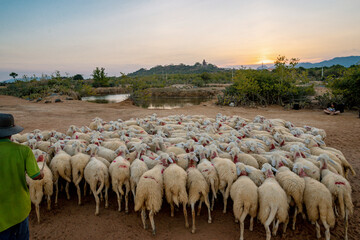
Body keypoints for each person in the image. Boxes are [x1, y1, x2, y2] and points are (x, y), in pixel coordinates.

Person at [0, 113, 43, 240]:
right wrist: (42, 172)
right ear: (11, 132)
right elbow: (35, 176)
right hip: (18, 207)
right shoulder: (23, 151)